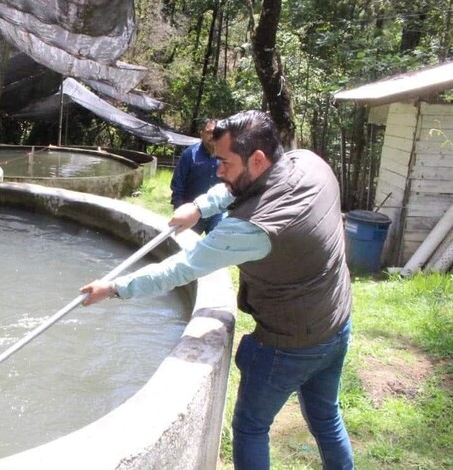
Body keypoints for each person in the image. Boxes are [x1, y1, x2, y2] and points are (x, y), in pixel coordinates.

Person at [80, 110, 354, 469]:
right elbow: (239, 186)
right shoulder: (309, 163)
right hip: (337, 321)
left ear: (257, 159)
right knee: (326, 417)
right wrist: (198, 207)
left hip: (290, 344)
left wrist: (114, 287)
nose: (217, 170)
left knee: (251, 428)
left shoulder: (252, 228)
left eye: (224, 161)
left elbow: (180, 269)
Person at [170, 118, 222, 234]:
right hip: (193, 211)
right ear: (201, 133)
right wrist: (179, 209)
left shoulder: (225, 156)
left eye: (216, 133)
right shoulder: (190, 154)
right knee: (185, 246)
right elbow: (178, 184)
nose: (212, 136)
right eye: (209, 132)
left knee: (218, 247)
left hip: (216, 212)